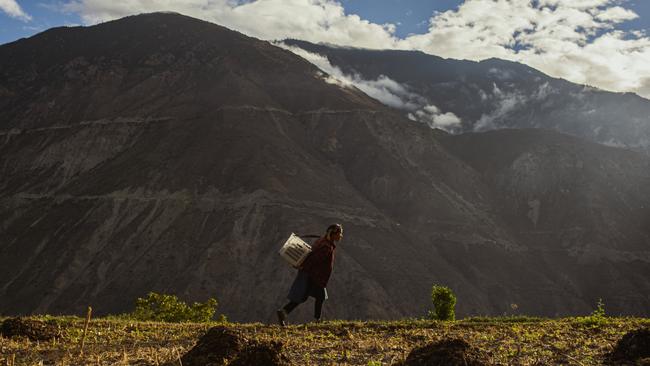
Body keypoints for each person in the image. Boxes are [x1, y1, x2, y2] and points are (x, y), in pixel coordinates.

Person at [277, 223, 343, 326]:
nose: (340, 236)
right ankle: (317, 320)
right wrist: (305, 267)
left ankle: (283, 312)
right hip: (315, 277)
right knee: (319, 296)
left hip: (312, 275)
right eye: (339, 233)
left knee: (303, 297)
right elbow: (314, 259)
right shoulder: (326, 247)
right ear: (333, 234)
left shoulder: (322, 242)